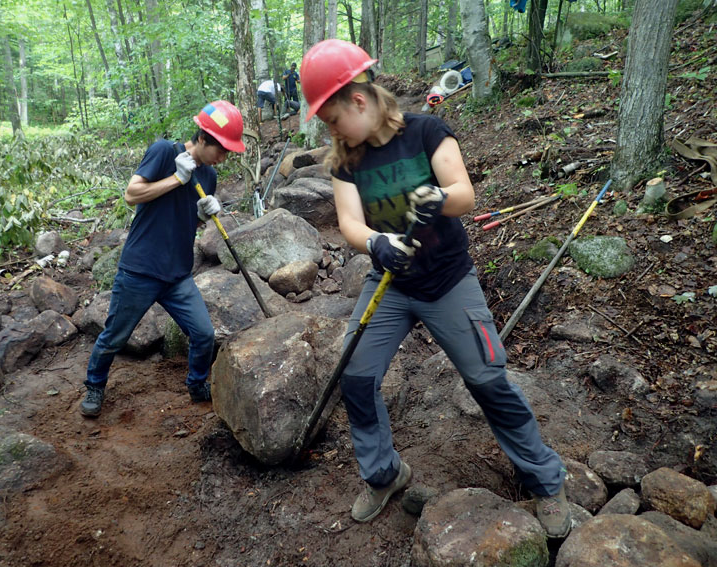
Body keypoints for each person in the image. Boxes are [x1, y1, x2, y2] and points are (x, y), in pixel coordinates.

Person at [300, 39, 571, 537]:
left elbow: (465, 195)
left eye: (332, 119)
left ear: (358, 101)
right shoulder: (345, 160)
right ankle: (383, 474)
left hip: (447, 280)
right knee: (355, 376)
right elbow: (349, 223)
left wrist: (436, 197)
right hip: (390, 283)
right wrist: (376, 242)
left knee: (487, 379)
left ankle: (546, 480)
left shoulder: (427, 131)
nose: (330, 130)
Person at [79, 100, 246, 418]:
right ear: (202, 138)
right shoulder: (163, 152)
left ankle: (197, 384)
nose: (224, 157)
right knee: (115, 336)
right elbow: (131, 195)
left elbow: (187, 222)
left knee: (204, 334)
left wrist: (204, 215)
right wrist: (175, 180)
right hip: (140, 269)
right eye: (222, 149)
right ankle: (95, 385)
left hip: (177, 273)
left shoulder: (208, 176)